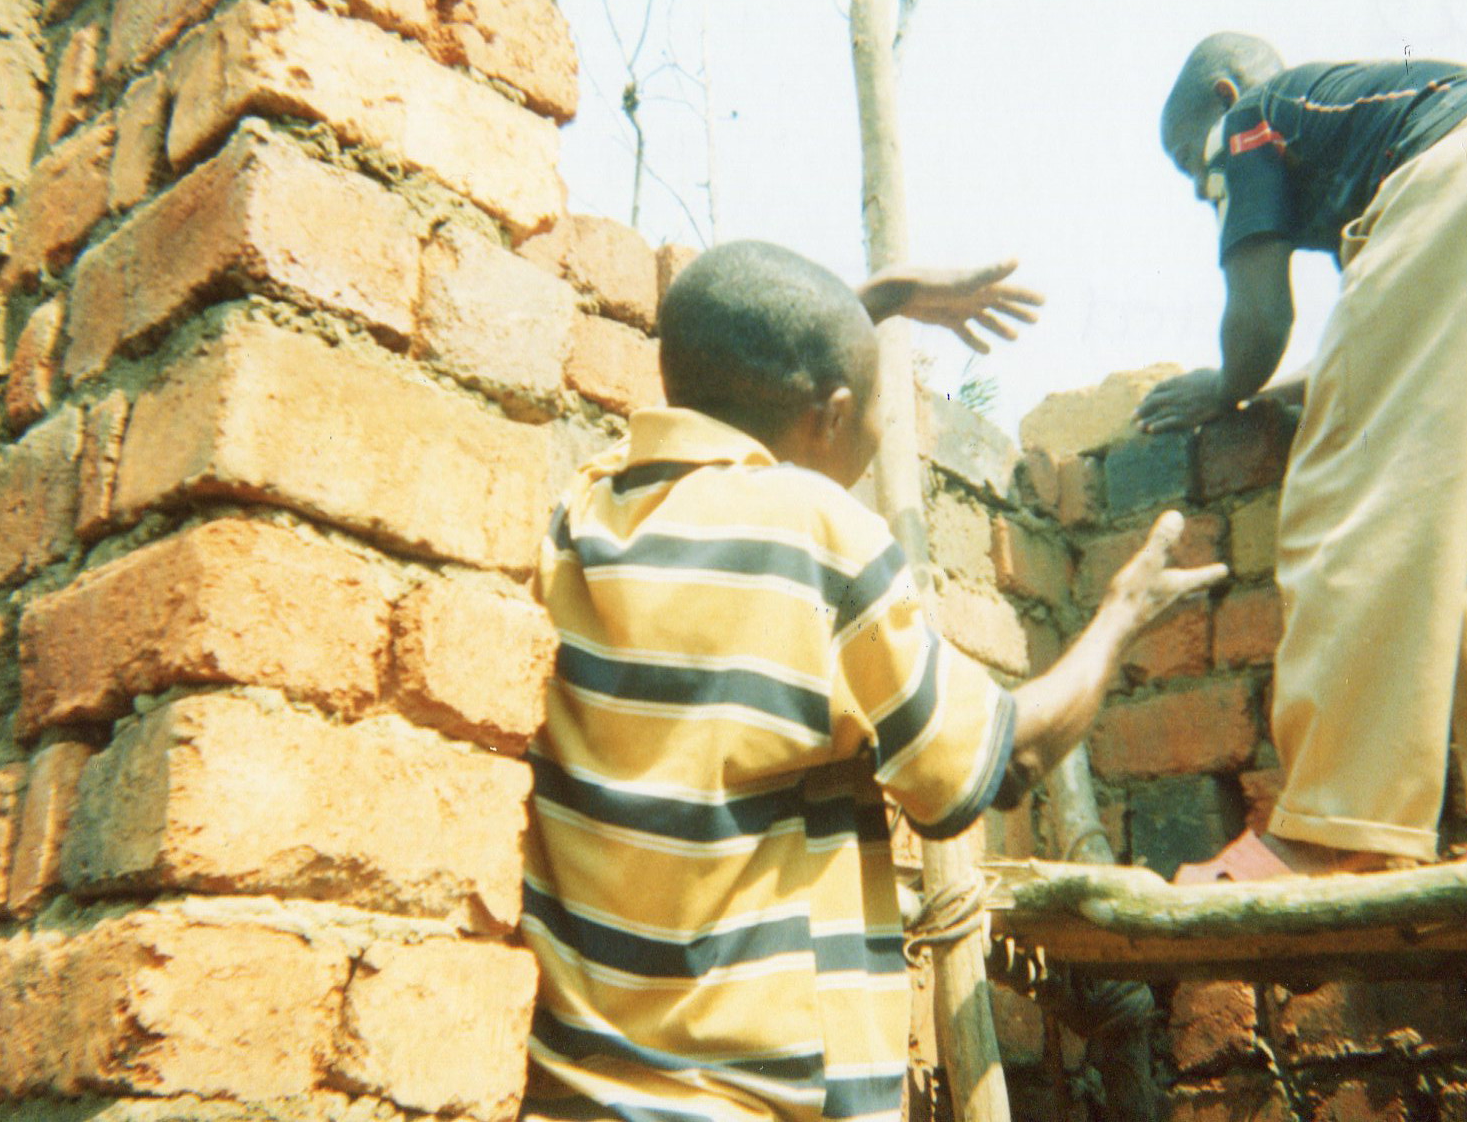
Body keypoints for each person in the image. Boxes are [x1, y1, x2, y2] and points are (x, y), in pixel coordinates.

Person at [519, 241, 1226, 1121]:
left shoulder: (580, 514)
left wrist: (877, 301)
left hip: (568, 1094)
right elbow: (1000, 761)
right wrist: (1119, 616)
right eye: (878, 410)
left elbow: (734, 365)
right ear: (834, 411)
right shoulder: (820, 537)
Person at [1137, 34, 1467, 874]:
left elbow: (1261, 323)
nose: (1206, 194)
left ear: (1224, 94)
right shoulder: (1385, 106)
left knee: (1358, 492)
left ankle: (1336, 826)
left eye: (1194, 175)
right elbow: (1407, 332)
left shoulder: (1252, 121)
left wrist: (1227, 386)